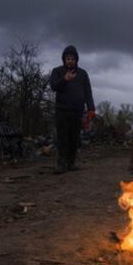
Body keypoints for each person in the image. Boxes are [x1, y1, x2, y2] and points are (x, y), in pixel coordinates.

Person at [49, 45, 95, 174]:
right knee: (62, 138)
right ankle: (61, 164)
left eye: (72, 59)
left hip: (77, 111)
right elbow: (53, 86)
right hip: (62, 110)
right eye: (68, 58)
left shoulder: (82, 74)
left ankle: (71, 163)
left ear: (76, 59)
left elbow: (88, 92)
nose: (70, 61)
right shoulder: (57, 71)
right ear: (64, 59)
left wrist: (91, 108)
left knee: (74, 138)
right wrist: (65, 79)